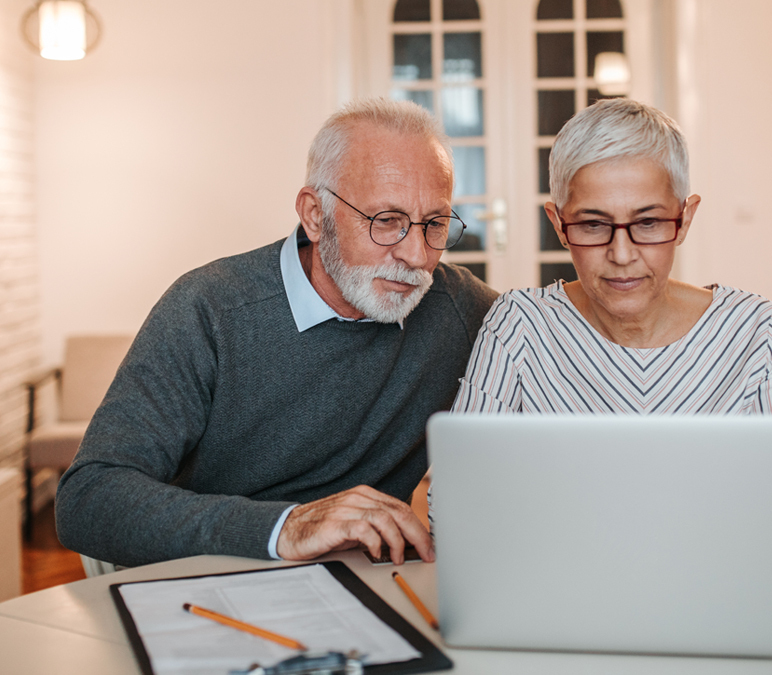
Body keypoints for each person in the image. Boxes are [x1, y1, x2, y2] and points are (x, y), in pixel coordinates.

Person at [55, 98, 497, 568]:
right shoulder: (210, 309)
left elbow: (556, 325)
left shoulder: (458, 307)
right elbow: (88, 498)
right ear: (314, 213)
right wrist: (287, 526)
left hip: (361, 584)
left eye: (434, 224)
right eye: (386, 221)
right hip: (203, 572)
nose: (415, 254)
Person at [448, 98, 772, 549]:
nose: (621, 255)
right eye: (593, 225)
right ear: (558, 224)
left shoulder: (756, 331)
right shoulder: (518, 325)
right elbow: (459, 500)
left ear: (685, 218)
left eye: (649, 222)